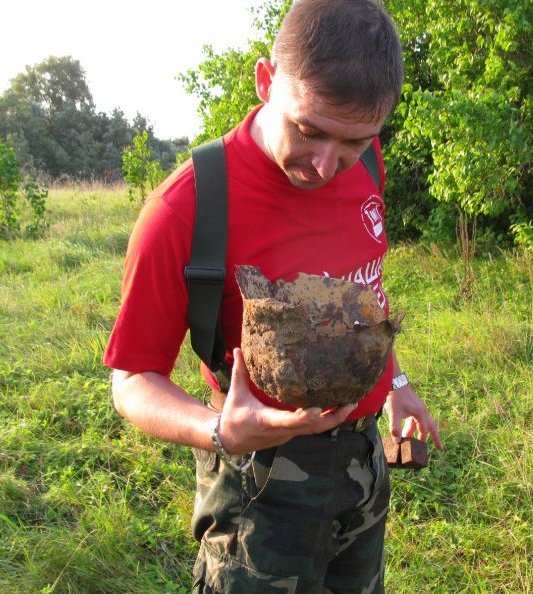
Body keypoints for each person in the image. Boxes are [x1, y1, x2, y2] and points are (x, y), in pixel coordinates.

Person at [104, 0, 443, 592]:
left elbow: (362, 290)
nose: (325, 165)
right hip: (258, 488)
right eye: (308, 131)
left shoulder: (365, 165)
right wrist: (220, 431)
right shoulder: (185, 207)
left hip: (363, 468)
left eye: (354, 141)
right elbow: (132, 380)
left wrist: (395, 383)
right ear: (266, 81)